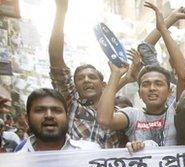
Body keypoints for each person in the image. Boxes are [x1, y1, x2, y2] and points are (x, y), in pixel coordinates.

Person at [97, 2, 185, 147]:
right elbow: (104, 120)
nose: (152, 88)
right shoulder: (133, 115)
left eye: (158, 84)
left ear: (170, 90)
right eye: (146, 84)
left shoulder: (176, 110)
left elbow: (184, 76)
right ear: (139, 93)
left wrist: (164, 28)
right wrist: (115, 75)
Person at [48, 0, 134, 148]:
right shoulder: (72, 104)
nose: (86, 80)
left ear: (103, 85)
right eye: (80, 78)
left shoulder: (120, 115)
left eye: (92, 77)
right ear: (74, 86)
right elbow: (55, 57)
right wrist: (61, 10)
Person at [15, 89, 100, 152]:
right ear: (27, 118)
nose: (49, 115)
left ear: (67, 117)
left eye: (57, 110)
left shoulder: (91, 152)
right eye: (40, 110)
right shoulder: (16, 162)